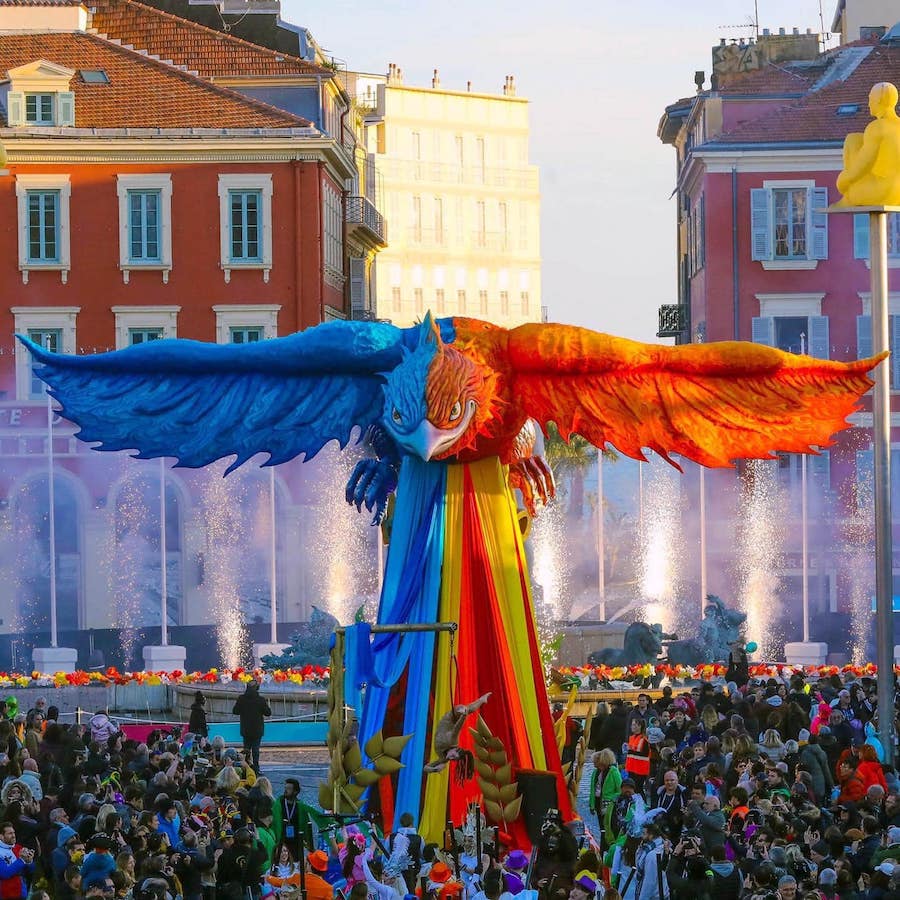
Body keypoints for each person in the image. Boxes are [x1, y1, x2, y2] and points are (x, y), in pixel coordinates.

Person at [837, 82, 900, 207]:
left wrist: (842, 182)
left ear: (878, 101)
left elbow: (863, 165)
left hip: (882, 191)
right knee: (856, 138)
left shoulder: (877, 127)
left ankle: (848, 197)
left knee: (851, 139)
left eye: (870, 99)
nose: (868, 104)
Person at [232, 682, 271, 776]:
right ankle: (256, 769)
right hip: (257, 729)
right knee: (256, 750)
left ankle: (245, 768)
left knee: (246, 750)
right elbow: (268, 713)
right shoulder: (260, 699)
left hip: (246, 729)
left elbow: (235, 711)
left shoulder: (241, 698)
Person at [590, 749, 623, 846]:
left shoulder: (613, 772)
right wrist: (591, 804)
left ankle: (608, 845)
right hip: (598, 802)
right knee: (602, 827)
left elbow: (620, 789)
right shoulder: (595, 772)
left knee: (608, 826)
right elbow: (592, 789)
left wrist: (612, 799)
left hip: (608, 804)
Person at [0, 822, 35, 900]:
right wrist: (22, 860)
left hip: (22, 892)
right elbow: (5, 873)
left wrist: (29, 861)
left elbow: (32, 870)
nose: (13, 836)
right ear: (1, 836)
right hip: (6, 894)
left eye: (14, 833)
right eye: (10, 833)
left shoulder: (19, 848)